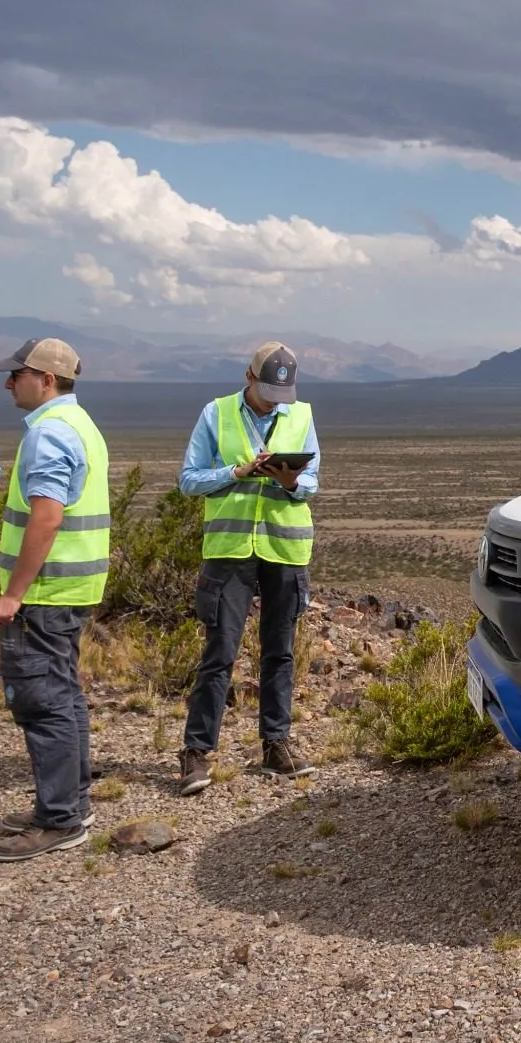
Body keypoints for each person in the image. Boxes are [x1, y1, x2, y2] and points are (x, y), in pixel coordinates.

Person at [0, 338, 109, 862]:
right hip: (71, 587)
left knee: (43, 700)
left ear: (47, 379)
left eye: (18, 375)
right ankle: (70, 804)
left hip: (46, 592)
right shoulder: (81, 425)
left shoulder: (50, 433)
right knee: (65, 695)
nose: (9, 383)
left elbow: (47, 516)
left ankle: (60, 820)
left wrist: (14, 594)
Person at [175, 341, 321, 795]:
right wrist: (235, 474)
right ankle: (196, 752)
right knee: (219, 652)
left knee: (280, 652)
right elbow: (188, 480)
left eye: (283, 395)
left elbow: (313, 483)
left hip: (284, 549)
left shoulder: (302, 415)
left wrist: (292, 482)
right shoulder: (215, 413)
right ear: (248, 377)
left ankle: (276, 745)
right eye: (267, 392)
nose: (276, 403)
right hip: (230, 551)